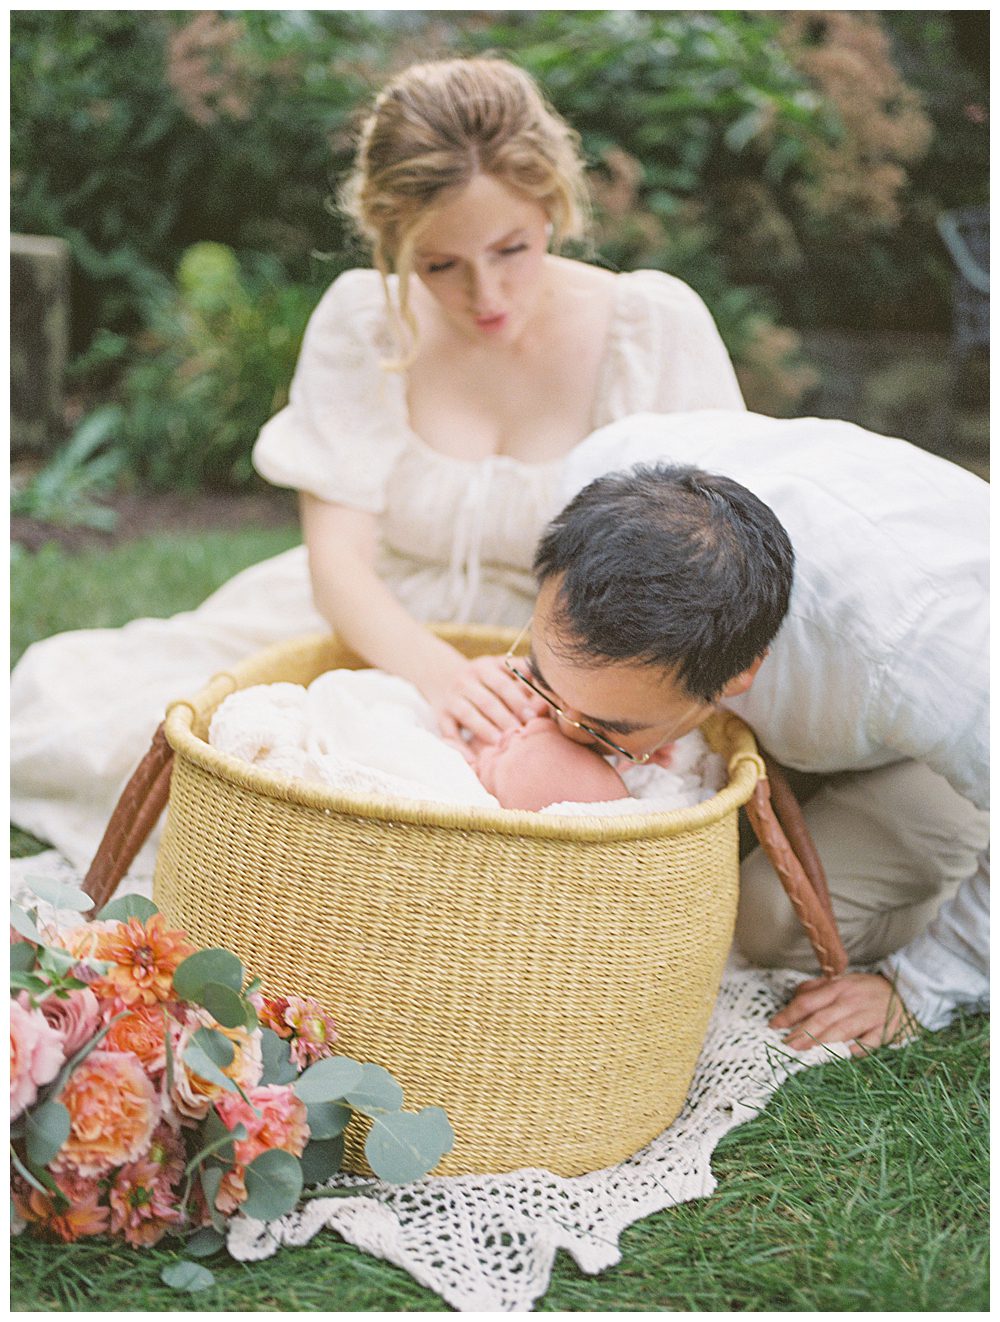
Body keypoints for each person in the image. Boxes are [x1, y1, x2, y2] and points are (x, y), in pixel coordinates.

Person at [11, 56, 743, 873]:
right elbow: (339, 569)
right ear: (391, 240)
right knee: (128, 729)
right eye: (439, 266)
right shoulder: (364, 322)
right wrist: (440, 676)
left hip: (571, 660)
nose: (487, 294)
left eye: (512, 248)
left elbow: (701, 567)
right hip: (370, 620)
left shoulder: (650, 328)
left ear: (553, 205)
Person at [515, 409, 988, 1051]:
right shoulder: (600, 477)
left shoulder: (928, 659)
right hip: (830, 707)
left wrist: (924, 984)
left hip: (942, 751)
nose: (563, 731)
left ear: (741, 675)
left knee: (771, 922)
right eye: (542, 681)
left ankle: (951, 899)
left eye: (609, 726)